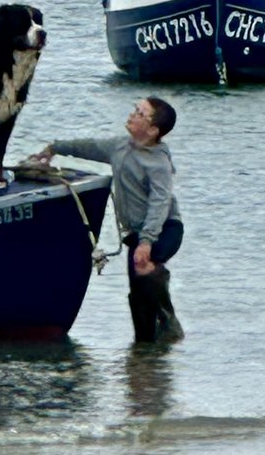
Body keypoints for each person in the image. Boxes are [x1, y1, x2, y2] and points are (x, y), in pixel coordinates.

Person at [34, 97, 184, 344]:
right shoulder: (119, 147)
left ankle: (170, 321)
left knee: (144, 266)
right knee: (137, 294)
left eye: (140, 113)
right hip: (136, 233)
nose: (132, 115)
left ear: (153, 130)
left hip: (165, 229)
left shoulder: (158, 163)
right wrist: (54, 148)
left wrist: (146, 242)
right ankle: (143, 353)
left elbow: (160, 204)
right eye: (135, 109)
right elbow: (89, 146)